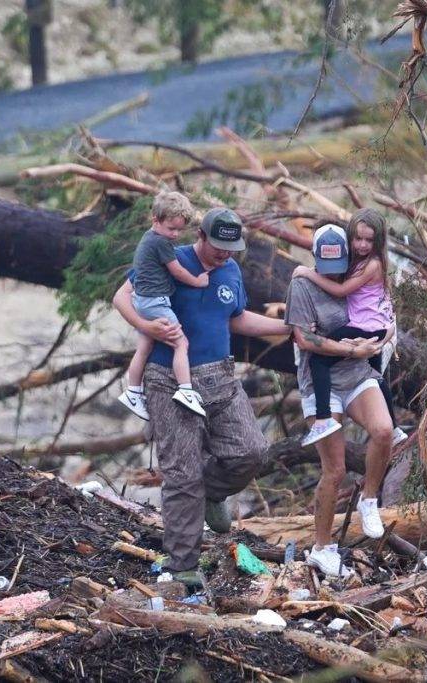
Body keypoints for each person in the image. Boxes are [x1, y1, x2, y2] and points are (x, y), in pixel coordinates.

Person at [112, 207, 290, 584]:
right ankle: (183, 567)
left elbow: (236, 318)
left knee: (251, 451)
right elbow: (121, 297)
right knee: (181, 474)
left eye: (231, 248)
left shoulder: (231, 270)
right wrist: (146, 326)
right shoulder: (169, 257)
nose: (224, 254)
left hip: (220, 376)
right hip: (168, 379)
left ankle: (209, 493)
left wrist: (285, 327)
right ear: (201, 236)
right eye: (218, 246)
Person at [284, 224, 395, 578]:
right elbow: (304, 339)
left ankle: (369, 499)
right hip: (322, 384)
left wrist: (380, 339)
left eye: (338, 266)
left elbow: (384, 314)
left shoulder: (357, 274)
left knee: (384, 430)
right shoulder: (302, 286)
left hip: (357, 374)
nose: (332, 274)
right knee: (335, 470)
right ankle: (322, 548)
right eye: (325, 267)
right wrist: (349, 349)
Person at [292, 209, 406, 447]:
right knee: (375, 376)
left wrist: (306, 272)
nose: (362, 245)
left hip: (366, 328)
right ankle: (395, 429)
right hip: (375, 327)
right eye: (358, 238)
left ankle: (323, 418)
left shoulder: (372, 264)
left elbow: (341, 290)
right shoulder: (359, 263)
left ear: (378, 240)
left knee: (318, 360)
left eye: (368, 240)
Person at [118, 191, 209, 420]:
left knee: (144, 346)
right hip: (154, 302)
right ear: (155, 220)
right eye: (171, 229)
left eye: (179, 230)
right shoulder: (161, 243)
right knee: (181, 343)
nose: (175, 235)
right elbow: (177, 271)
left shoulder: (149, 238)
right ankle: (185, 390)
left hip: (142, 301)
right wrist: (198, 281)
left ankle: (133, 391)